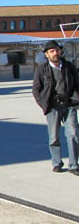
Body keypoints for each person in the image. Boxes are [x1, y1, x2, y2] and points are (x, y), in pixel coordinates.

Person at [32, 40, 79, 175]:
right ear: (46, 54)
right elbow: (36, 89)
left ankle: (74, 165)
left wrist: (76, 99)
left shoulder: (69, 67)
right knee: (54, 137)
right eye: (52, 51)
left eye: (57, 50)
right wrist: (44, 104)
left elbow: (77, 84)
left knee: (73, 134)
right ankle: (57, 163)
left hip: (69, 104)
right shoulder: (41, 69)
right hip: (53, 107)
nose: (55, 53)